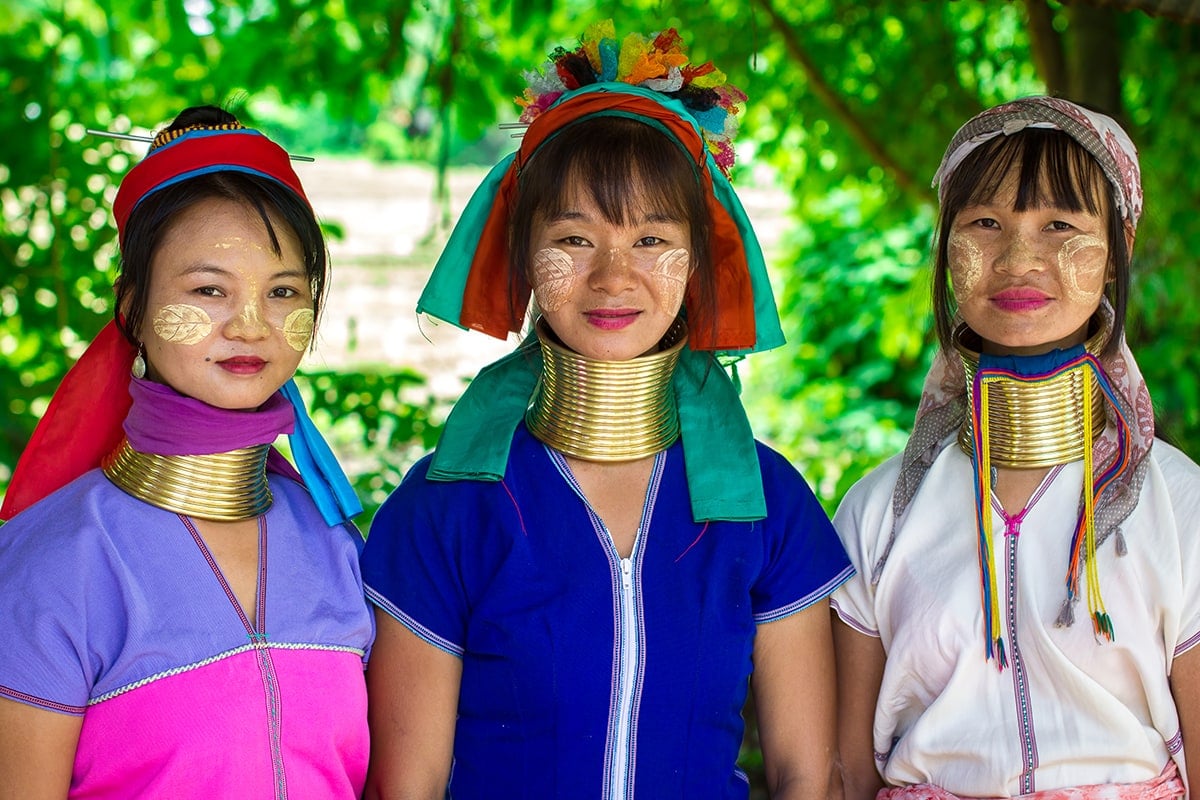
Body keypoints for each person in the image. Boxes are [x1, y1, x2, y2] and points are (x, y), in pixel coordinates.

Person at [360, 21, 853, 800]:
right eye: (573, 239)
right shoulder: (446, 509)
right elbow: (405, 785)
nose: (613, 276)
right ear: (524, 255)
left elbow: (805, 776)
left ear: (700, 258)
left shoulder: (766, 506)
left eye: (653, 239)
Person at [832, 96, 1200, 799]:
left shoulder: (1181, 506)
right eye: (985, 224)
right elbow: (845, 772)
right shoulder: (877, 514)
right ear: (945, 253)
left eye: (1061, 225)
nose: (1020, 257)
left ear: (1117, 252)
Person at [0, 106, 373, 798]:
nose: (251, 324)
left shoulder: (335, 545)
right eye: (209, 290)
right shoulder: (51, 568)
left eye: (283, 291)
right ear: (134, 307)